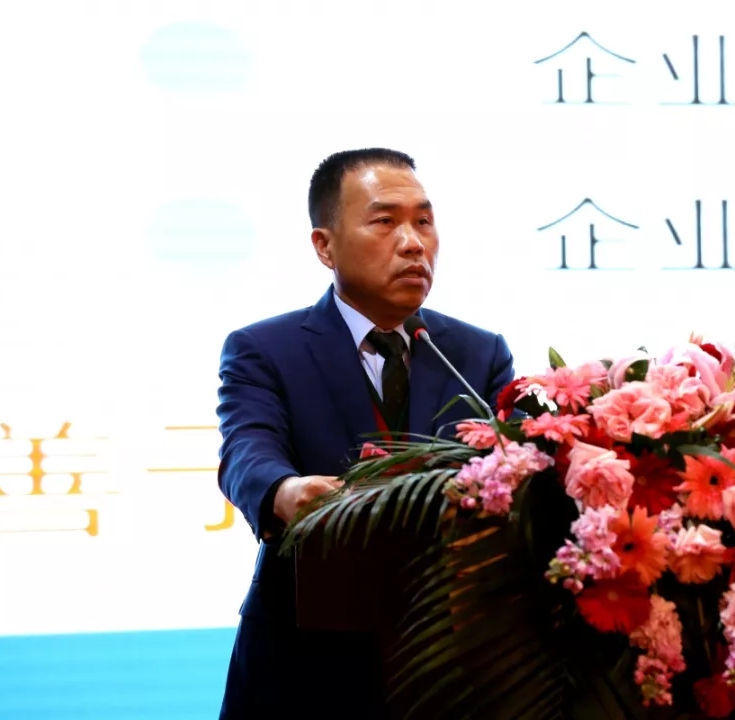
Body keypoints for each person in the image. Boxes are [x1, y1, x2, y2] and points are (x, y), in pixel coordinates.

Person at [214, 148, 515, 719]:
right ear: (324, 246)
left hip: (451, 664)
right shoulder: (266, 350)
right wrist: (284, 491)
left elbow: (517, 462)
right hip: (307, 660)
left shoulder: (477, 353)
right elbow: (247, 451)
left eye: (423, 221)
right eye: (385, 221)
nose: (413, 243)